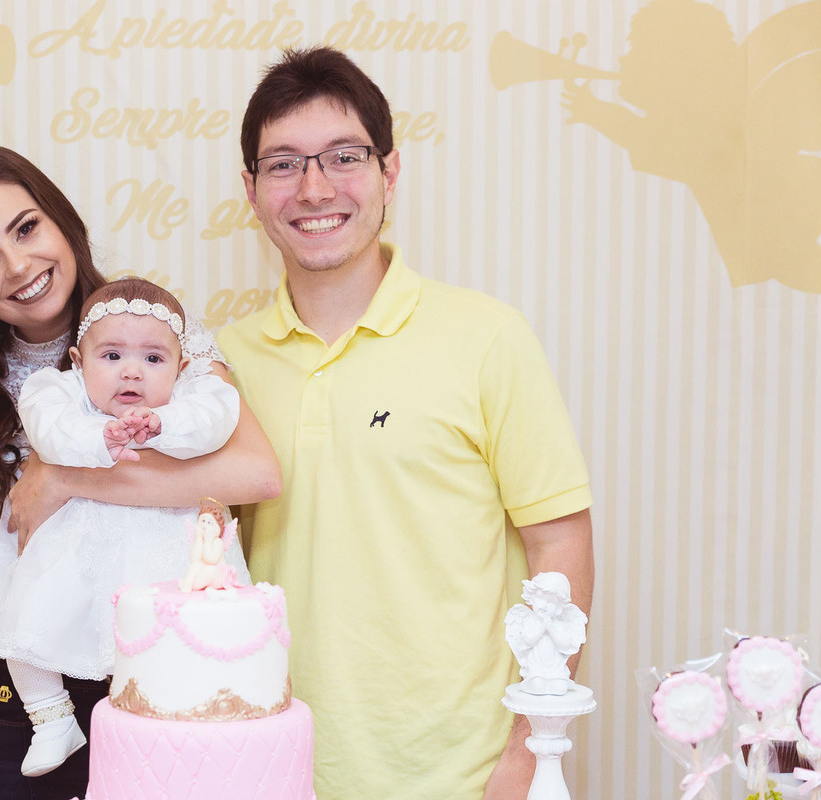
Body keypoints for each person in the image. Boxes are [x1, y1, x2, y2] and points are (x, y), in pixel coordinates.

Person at [217, 47, 595, 799]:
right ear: (251, 191)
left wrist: (523, 759)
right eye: (285, 164)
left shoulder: (487, 336)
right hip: (277, 770)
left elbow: (559, 541)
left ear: (389, 173)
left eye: (343, 157)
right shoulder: (220, 365)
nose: (315, 187)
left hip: (465, 774)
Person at [0, 145, 280, 799]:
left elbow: (254, 472)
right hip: (24, 707)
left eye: (26, 228)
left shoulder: (156, 328)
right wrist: (16, 623)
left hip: (164, 675)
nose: (19, 265)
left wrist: (64, 478)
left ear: (62, 222)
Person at [0, 277, 251, 777]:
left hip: (161, 555)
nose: (131, 370)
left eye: (154, 360)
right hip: (70, 554)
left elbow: (219, 412)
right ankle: (50, 719)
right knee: (23, 625)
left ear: (180, 367)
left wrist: (166, 426)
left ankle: (168, 726)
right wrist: (99, 439)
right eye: (111, 356)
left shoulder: (187, 395)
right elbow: (46, 423)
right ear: (78, 360)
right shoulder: (60, 388)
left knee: (174, 642)